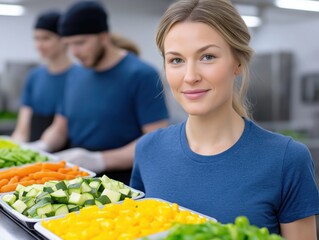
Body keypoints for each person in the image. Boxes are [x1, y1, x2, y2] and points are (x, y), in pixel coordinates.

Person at [130, 0, 319, 239]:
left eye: (207, 56)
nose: (190, 77)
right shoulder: (148, 150)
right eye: (176, 60)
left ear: (237, 62)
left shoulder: (287, 160)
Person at [33, 1, 168, 185]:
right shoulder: (74, 74)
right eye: (69, 44)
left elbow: (154, 140)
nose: (74, 52)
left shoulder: (141, 74)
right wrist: (42, 146)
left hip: (122, 183)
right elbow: (60, 126)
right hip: (76, 177)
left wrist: (100, 160)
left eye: (80, 43)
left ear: (104, 37)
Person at [11, 10, 73, 142]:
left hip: (66, 151)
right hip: (35, 147)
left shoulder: (79, 76)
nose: (39, 45)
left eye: (46, 38)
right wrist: (17, 148)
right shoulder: (35, 76)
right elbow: (23, 126)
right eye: (36, 38)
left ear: (64, 40)